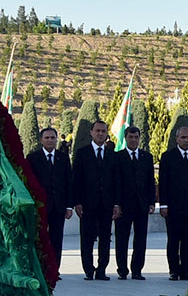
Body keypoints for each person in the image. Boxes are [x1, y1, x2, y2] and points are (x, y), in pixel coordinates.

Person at [71, 119, 120, 281]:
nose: (100, 134)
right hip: (87, 204)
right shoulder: (82, 153)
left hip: (106, 204)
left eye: (103, 131)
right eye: (97, 131)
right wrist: (77, 201)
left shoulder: (112, 155)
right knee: (87, 238)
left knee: (105, 238)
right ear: (91, 132)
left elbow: (116, 181)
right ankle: (88, 270)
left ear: (107, 134)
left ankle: (101, 269)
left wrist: (116, 203)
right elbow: (76, 179)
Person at [158, 125, 188, 281]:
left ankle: (186, 270)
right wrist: (163, 205)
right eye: (183, 137)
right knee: (173, 240)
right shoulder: (168, 157)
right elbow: (163, 183)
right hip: (173, 207)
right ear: (177, 139)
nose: (186, 140)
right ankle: (173, 270)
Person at [25, 126, 73, 267]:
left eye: (52, 137)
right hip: (41, 206)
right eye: (47, 138)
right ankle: (40, 267)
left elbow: (68, 182)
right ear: (41, 140)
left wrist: (69, 206)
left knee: (57, 239)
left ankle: (54, 268)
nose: (50, 140)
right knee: (40, 238)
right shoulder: (33, 158)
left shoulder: (63, 158)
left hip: (59, 206)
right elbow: (29, 182)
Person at [114, 125, 155, 280]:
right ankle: (122, 269)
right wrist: (116, 204)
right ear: (125, 139)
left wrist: (151, 201)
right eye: (130, 137)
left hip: (141, 204)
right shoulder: (118, 157)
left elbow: (150, 181)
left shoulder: (147, 157)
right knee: (122, 238)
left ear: (139, 138)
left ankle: (137, 269)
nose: (133, 140)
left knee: (141, 238)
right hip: (124, 205)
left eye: (136, 137)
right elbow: (116, 181)